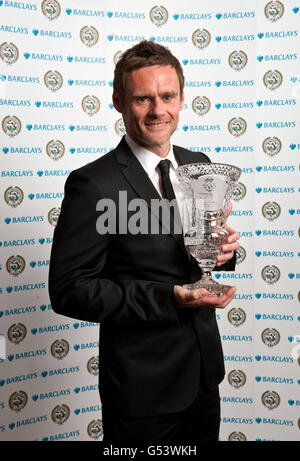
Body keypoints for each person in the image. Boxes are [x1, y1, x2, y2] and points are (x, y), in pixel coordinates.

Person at [49, 41, 240, 443]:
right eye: (142, 98)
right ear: (118, 102)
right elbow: (69, 291)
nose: (158, 110)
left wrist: (223, 254)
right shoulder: (93, 184)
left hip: (204, 376)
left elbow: (192, 254)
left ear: (182, 99)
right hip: (141, 390)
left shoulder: (198, 165)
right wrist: (168, 297)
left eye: (167, 96)